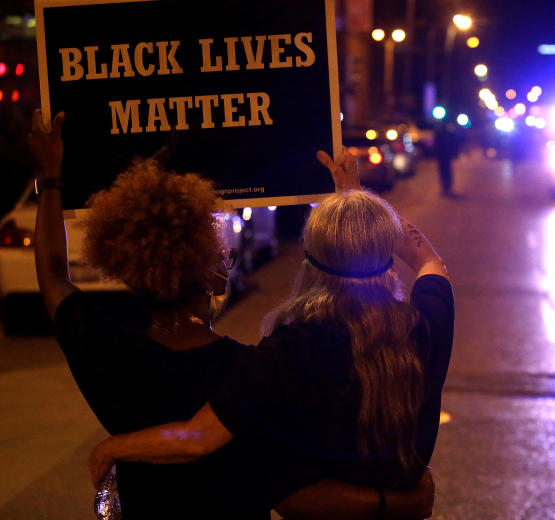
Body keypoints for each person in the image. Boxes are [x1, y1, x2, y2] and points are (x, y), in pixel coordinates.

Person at [28, 109, 435, 519]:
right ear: (213, 279)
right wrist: (400, 503)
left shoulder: (104, 353)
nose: (229, 262)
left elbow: (52, 275)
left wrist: (49, 177)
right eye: (225, 257)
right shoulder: (256, 367)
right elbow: (296, 493)